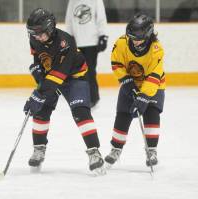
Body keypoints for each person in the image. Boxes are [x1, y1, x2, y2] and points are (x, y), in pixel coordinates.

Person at [24, 8, 105, 174]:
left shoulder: (65, 42)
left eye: (39, 33)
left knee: (80, 112)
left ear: (50, 28)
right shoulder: (34, 38)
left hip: (74, 76)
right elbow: (38, 58)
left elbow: (59, 74)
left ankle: (94, 152)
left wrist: (39, 94)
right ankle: (39, 148)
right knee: (40, 111)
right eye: (33, 33)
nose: (36, 37)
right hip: (52, 76)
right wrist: (38, 70)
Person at [104, 14, 165, 167]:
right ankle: (116, 149)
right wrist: (127, 83)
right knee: (123, 113)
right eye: (132, 37)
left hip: (154, 86)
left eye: (138, 38)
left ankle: (151, 150)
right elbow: (117, 64)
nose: (135, 41)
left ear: (149, 35)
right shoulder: (122, 43)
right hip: (130, 83)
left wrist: (143, 97)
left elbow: (153, 76)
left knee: (151, 112)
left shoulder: (156, 49)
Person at [65, 0, 108, 108]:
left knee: (90, 72)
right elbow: (69, 20)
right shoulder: (72, 2)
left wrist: (103, 36)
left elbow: (101, 17)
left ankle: (93, 97)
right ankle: (81, 96)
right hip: (77, 42)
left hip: (91, 42)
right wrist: (69, 37)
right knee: (78, 72)